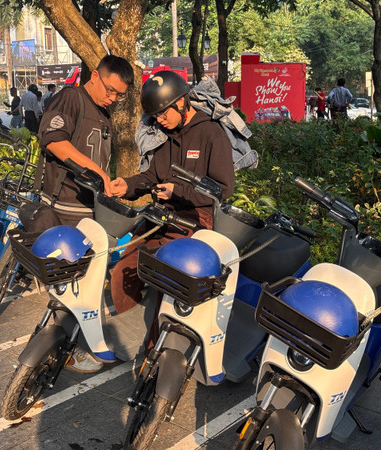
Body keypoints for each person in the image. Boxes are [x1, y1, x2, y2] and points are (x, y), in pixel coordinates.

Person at [108, 70, 235, 365]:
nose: (159, 120)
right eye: (155, 115)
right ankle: (132, 335)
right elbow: (152, 176)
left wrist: (179, 190)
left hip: (197, 220)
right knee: (123, 270)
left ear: (181, 103)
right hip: (162, 217)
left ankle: (156, 351)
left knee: (164, 276)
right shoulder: (164, 135)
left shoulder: (211, 133)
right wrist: (128, 185)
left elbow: (223, 189)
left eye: (163, 113)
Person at [35, 55, 133, 373]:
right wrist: (98, 174)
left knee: (80, 281)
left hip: (85, 208)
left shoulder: (102, 112)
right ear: (94, 77)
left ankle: (66, 341)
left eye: (120, 95)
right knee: (73, 281)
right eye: (110, 90)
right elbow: (54, 142)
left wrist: (110, 181)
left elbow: (98, 160)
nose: (113, 98)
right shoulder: (71, 97)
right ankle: (69, 347)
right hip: (62, 206)